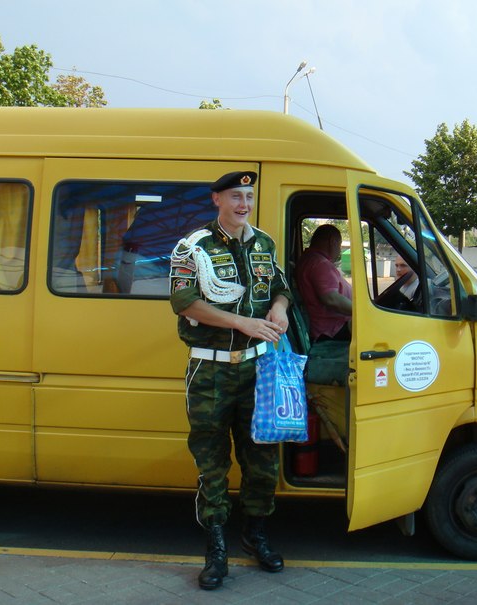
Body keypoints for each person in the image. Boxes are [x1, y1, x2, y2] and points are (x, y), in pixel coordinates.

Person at [169, 171, 291, 590]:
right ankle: (216, 548)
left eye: (249, 196)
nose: (244, 204)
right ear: (216, 199)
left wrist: (280, 308)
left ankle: (255, 534)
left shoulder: (263, 242)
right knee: (212, 463)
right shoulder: (191, 247)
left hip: (258, 369)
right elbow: (184, 301)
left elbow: (280, 285)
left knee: (262, 461)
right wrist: (244, 322)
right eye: (236, 196)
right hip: (211, 368)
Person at [295, 224, 352, 341]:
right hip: (332, 329)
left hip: (327, 327)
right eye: (340, 245)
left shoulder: (309, 259)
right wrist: (362, 311)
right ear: (333, 241)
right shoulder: (319, 264)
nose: (339, 250)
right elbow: (332, 299)